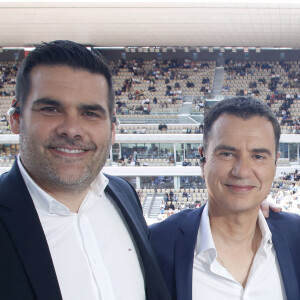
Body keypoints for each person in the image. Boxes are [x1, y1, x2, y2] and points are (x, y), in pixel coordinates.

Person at [0, 40, 170, 300]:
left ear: (113, 129)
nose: (71, 129)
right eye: (51, 109)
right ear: (16, 118)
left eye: (90, 113)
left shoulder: (123, 194)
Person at [149, 97, 300, 300]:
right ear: (202, 161)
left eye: (258, 156)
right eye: (227, 154)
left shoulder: (295, 236)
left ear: (275, 163)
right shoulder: (156, 246)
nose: (242, 171)